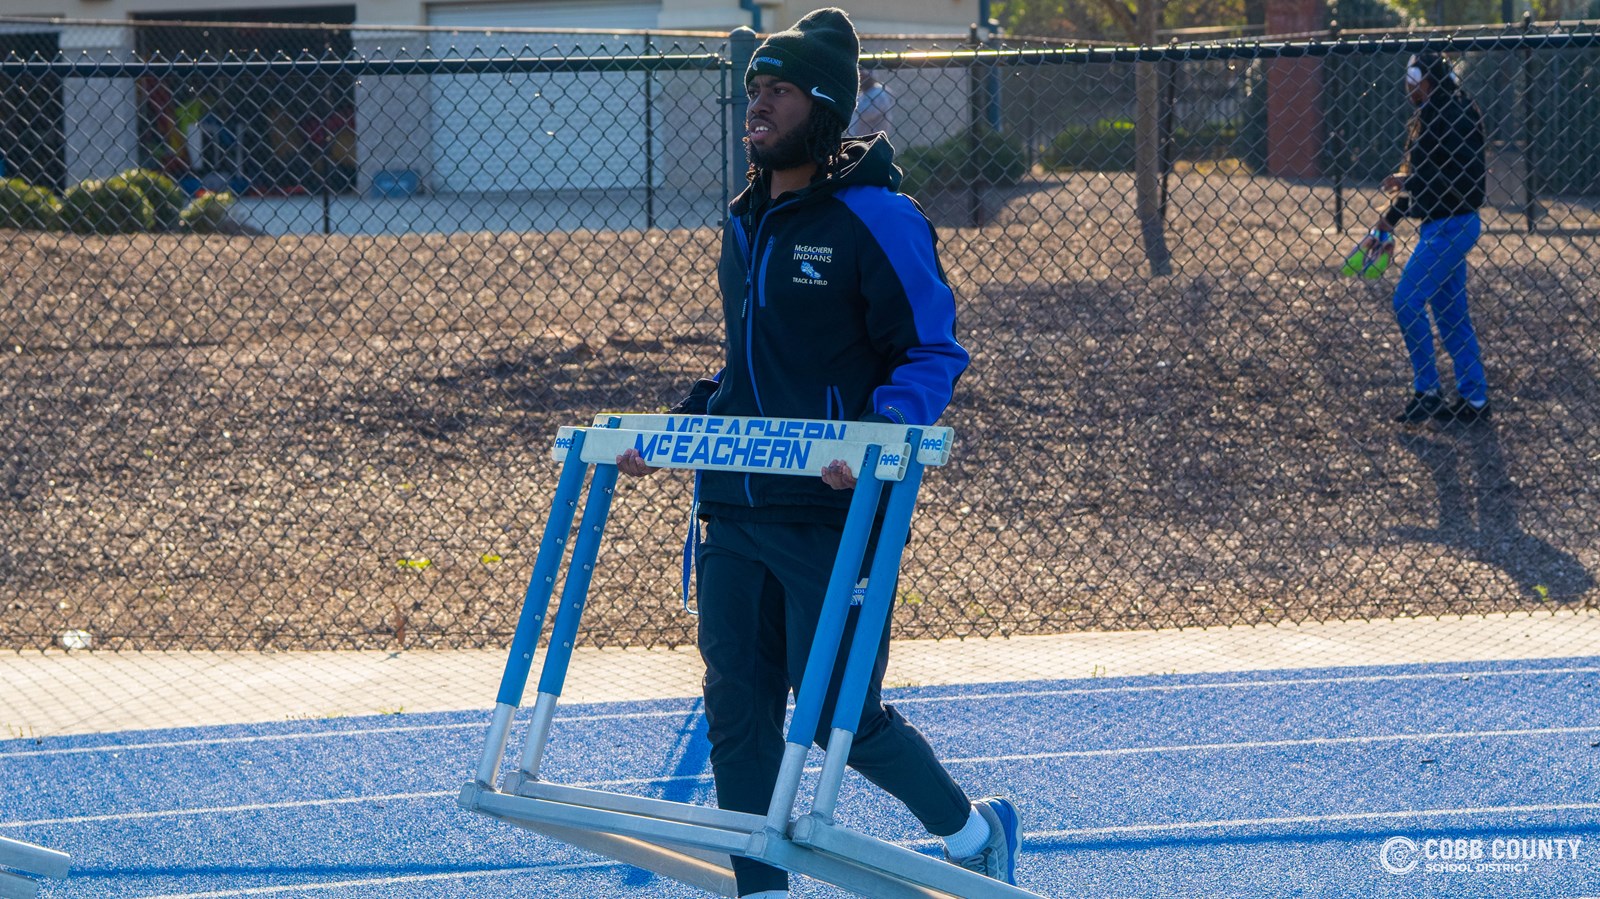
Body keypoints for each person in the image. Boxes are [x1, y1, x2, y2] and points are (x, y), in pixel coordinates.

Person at [616, 8, 1019, 898]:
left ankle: (976, 834)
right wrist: (678, 426)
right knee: (737, 715)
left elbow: (931, 351)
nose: (757, 106)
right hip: (734, 506)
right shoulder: (745, 221)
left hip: (833, 513)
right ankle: (761, 890)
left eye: (780, 91)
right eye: (753, 90)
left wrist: (877, 431)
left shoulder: (879, 216)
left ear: (825, 107)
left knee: (841, 711)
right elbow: (749, 366)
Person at [1364, 51, 1490, 424]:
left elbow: (1447, 176)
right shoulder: (1448, 109)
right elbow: (1442, 171)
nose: (1407, 85)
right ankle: (1475, 399)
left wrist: (1394, 211)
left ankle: (1428, 390)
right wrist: (1405, 188)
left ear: (1424, 79)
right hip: (1447, 223)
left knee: (1407, 301)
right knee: (1451, 315)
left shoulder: (1442, 115)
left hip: (1449, 226)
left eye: (1411, 77)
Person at [849, 66, 895, 138]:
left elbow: (865, 114)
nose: (859, 79)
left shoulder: (879, 93)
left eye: (861, 76)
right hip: (859, 140)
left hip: (872, 141)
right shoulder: (864, 94)